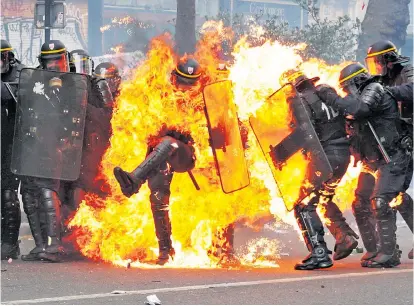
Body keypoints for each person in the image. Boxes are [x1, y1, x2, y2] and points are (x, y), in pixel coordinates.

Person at [317, 62, 409, 268]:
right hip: (372, 161)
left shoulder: (374, 89)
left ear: (358, 80)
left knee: (381, 201)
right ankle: (374, 248)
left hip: (391, 156)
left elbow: (359, 109)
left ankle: (389, 254)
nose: (346, 92)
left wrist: (330, 96)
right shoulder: (359, 97)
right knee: (360, 203)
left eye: (347, 86)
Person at [113, 57, 200, 265]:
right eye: (182, 82)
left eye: (191, 84)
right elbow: (150, 130)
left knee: (169, 142)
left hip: (187, 155)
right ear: (173, 78)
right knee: (159, 197)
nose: (186, 88)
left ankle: (134, 180)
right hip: (161, 156)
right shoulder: (160, 98)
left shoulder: (202, 101)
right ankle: (165, 251)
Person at [278, 70, 359, 270]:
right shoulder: (326, 92)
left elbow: (305, 132)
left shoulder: (297, 100)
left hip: (324, 158)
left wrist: (279, 155)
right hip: (343, 155)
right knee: (322, 198)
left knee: (303, 204)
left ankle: (319, 253)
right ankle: (344, 236)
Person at [20, 40, 83, 262]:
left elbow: (76, 113)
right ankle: (39, 246)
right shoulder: (34, 78)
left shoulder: (74, 82)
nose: (54, 65)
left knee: (48, 191)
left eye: (58, 60)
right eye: (49, 61)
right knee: (28, 192)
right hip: (32, 143)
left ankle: (54, 245)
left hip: (56, 143)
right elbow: (24, 105)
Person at [365, 40, 413, 259]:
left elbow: (411, 90)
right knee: (397, 193)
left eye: (377, 62)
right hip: (395, 142)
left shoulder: (407, 71)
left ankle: (389, 253)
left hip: (409, 138)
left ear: (388, 59)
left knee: (390, 194)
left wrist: (387, 91)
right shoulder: (380, 80)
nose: (375, 67)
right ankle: (388, 250)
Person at [61, 50, 114, 223]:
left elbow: (107, 115)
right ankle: (68, 230)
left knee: (86, 186)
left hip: (91, 147)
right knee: (63, 189)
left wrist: (85, 107)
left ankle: (87, 229)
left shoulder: (97, 85)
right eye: (75, 66)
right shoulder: (61, 86)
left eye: (83, 66)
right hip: (67, 147)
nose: (80, 71)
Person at [1, 39, 23, 260]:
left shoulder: (19, 74)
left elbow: (9, 94)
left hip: (10, 144)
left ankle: (9, 243)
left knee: (7, 194)